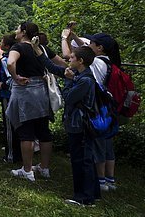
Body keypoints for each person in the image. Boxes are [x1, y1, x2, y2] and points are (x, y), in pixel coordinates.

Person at [32, 39, 100, 206]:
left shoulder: (85, 80)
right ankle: (93, 193)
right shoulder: (80, 74)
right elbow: (53, 67)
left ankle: (83, 198)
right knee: (85, 159)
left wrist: (68, 80)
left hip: (80, 125)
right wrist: (37, 49)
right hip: (78, 124)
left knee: (80, 160)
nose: (69, 60)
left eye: (71, 58)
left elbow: (69, 98)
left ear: (80, 61)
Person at [66, 29, 120, 191]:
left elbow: (78, 53)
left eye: (92, 44)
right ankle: (109, 179)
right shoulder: (110, 61)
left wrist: (65, 39)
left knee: (94, 147)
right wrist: (73, 36)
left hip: (92, 108)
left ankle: (99, 181)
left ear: (100, 48)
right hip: (105, 108)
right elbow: (83, 50)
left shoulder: (96, 63)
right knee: (106, 144)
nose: (88, 46)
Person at [6, 21, 54, 182]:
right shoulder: (42, 49)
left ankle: (27, 170)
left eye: (18, 29)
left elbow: (10, 62)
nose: (15, 32)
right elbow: (61, 62)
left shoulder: (18, 47)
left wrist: (15, 77)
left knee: (26, 131)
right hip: (42, 91)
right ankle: (44, 167)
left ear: (24, 32)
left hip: (25, 91)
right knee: (43, 131)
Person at [0, 33, 21, 163]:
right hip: (18, 95)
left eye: (2, 41)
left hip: (8, 95)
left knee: (9, 126)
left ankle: (11, 155)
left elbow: (11, 78)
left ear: (6, 45)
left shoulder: (6, 60)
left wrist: (2, 85)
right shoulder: (17, 56)